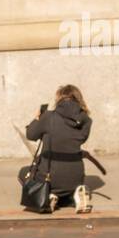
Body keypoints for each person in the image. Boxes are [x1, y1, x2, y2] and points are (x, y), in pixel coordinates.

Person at [26, 84, 93, 214]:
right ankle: (76, 194)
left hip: (49, 176)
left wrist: (37, 118)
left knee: (23, 173)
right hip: (76, 176)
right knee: (67, 184)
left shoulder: (48, 117)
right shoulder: (86, 120)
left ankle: (50, 196)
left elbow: (30, 135)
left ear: (59, 99)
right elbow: (80, 139)